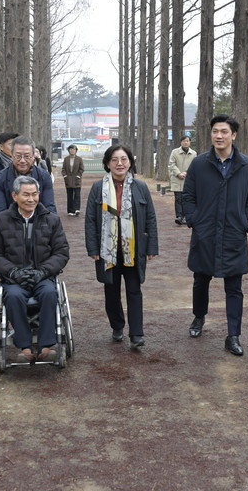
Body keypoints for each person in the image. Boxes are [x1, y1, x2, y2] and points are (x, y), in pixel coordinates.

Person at [182, 114, 248, 356]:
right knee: (200, 279)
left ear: (233, 135)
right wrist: (194, 219)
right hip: (205, 232)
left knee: (234, 287)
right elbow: (188, 195)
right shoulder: (199, 164)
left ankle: (233, 335)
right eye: (215, 131)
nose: (219, 136)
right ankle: (199, 317)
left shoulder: (247, 166)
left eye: (224, 131)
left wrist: (246, 221)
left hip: (234, 233)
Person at [0, 175, 69, 363]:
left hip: (42, 277)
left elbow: (61, 252)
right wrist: (13, 272)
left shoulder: (51, 220)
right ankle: (24, 347)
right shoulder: (1, 220)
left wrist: (43, 272)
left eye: (35, 194)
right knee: (13, 296)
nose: (31, 199)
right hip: (13, 278)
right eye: (26, 195)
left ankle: (46, 345)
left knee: (50, 293)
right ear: (14, 196)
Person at [85, 145, 159, 349]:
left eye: (124, 159)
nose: (120, 163)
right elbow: (90, 219)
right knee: (111, 290)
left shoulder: (140, 187)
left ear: (130, 162)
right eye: (115, 160)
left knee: (134, 290)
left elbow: (150, 218)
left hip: (133, 249)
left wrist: (151, 246)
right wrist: (92, 248)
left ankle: (137, 333)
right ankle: (117, 326)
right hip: (107, 250)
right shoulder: (98, 188)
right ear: (107, 163)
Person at [0, 135, 56, 221]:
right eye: (18, 156)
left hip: (39, 224)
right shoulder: (0, 178)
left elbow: (49, 209)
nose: (22, 160)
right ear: (12, 155)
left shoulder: (44, 176)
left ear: (33, 156)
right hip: (9, 225)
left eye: (27, 156)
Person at [168, 135, 197, 225]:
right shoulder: (175, 152)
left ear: (190, 142)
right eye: (184, 141)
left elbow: (195, 166)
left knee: (186, 198)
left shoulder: (193, 154)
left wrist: (186, 173)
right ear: (181, 142)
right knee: (178, 198)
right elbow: (171, 164)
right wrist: (178, 173)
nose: (186, 142)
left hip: (188, 179)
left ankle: (185, 216)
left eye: (187, 141)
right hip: (177, 179)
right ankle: (179, 216)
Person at [62, 144, 85, 216]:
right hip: (68, 180)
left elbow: (81, 169)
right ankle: (70, 210)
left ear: (76, 150)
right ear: (68, 150)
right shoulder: (66, 159)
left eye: (74, 149)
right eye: (71, 149)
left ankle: (76, 209)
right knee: (69, 195)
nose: (72, 150)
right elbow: (63, 169)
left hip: (77, 180)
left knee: (77, 195)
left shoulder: (79, 159)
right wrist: (65, 176)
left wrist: (78, 176)